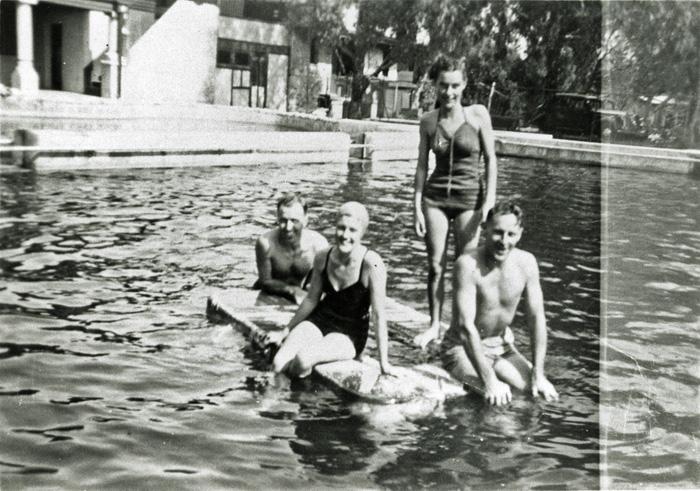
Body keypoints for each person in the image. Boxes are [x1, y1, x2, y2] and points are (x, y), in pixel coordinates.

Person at [413, 55, 497, 350]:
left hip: (469, 199)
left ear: (464, 85)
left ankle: (465, 326)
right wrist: (416, 206)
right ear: (435, 85)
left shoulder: (477, 115)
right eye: (443, 86)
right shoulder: (428, 121)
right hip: (435, 198)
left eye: (455, 86)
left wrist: (489, 201)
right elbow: (422, 166)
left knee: (466, 266)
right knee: (436, 266)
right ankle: (434, 325)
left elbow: (491, 159)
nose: (449, 92)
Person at [440, 201, 559, 406]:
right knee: (499, 400)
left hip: (502, 347)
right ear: (484, 228)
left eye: (511, 234)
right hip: (461, 349)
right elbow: (465, 327)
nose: (504, 241)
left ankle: (516, 435)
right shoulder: (467, 265)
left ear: (520, 234)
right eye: (498, 232)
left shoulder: (527, 263)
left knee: (535, 393)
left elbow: (536, 318)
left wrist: (538, 374)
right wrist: (490, 381)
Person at [267, 201, 397, 378]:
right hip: (320, 319)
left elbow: (378, 315)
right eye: (341, 228)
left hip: (349, 332)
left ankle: (297, 401)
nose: (345, 235)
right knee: (278, 362)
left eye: (352, 230)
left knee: (303, 360)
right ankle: (272, 403)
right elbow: (311, 299)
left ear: (363, 233)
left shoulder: (372, 264)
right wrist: (285, 330)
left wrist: (384, 363)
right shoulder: (323, 256)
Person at [255, 193, 328, 304]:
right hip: (270, 293)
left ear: (305, 220)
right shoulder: (265, 243)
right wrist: (292, 291)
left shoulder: (319, 245)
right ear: (277, 218)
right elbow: (265, 281)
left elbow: (316, 284)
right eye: (283, 220)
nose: (288, 227)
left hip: (303, 295)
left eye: (294, 221)